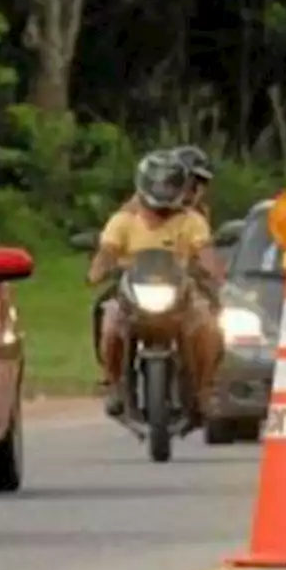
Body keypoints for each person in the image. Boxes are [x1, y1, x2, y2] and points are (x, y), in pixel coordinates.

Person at [87, 151, 225, 419]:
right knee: (110, 323)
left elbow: (206, 254)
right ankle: (113, 382)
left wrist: (215, 274)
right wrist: (98, 270)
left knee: (208, 326)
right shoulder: (123, 221)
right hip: (131, 294)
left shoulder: (191, 221)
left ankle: (204, 388)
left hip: (181, 293)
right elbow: (106, 253)